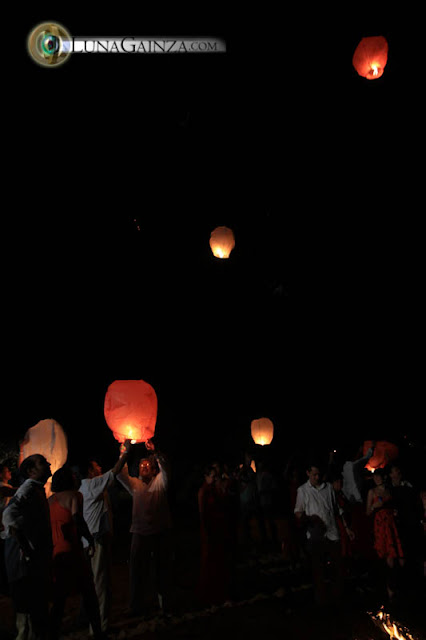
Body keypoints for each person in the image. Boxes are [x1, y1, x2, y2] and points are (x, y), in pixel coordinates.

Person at [78, 440, 130, 634]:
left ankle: (95, 623)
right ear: (90, 472)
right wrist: (126, 451)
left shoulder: (88, 486)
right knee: (101, 583)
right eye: (96, 466)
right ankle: (99, 627)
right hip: (96, 540)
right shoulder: (92, 484)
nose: (100, 467)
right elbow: (115, 471)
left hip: (93, 540)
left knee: (98, 582)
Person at [117, 438, 173, 617]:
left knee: (161, 567)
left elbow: (166, 469)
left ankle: (164, 603)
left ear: (154, 467)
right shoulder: (135, 485)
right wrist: (123, 452)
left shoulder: (160, 483)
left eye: (148, 464)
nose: (145, 466)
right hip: (139, 533)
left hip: (159, 532)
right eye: (142, 465)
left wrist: (155, 453)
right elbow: (119, 474)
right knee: (136, 570)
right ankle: (136, 604)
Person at [48, 465, 104, 640]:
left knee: (59, 598)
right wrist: (89, 538)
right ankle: (98, 632)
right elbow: (78, 519)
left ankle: (52, 634)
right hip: (72, 549)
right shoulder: (75, 496)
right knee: (89, 593)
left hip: (56, 551)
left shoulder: (49, 500)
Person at [2, 454, 52, 640]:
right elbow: (9, 515)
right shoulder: (29, 489)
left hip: (28, 563)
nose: (47, 464)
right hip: (25, 565)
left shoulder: (35, 489)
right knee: (31, 615)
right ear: (31, 471)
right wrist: (28, 550)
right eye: (42, 463)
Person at [294, 462, 353, 606]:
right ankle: (321, 600)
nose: (317, 477)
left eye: (318, 474)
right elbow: (298, 511)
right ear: (308, 473)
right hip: (316, 536)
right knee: (318, 569)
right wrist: (309, 519)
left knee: (337, 567)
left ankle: (338, 597)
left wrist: (346, 528)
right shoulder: (303, 490)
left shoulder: (328, 488)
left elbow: (336, 509)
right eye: (314, 474)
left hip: (332, 532)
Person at [366, 468, 405, 602]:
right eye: (375, 477)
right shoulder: (372, 492)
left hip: (390, 524)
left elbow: (394, 506)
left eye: (379, 476)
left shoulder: (389, 491)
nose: (377, 479)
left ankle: (394, 588)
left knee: (395, 557)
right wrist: (374, 507)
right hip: (380, 526)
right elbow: (367, 512)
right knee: (385, 556)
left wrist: (393, 511)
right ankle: (387, 590)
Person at [0, 463, 17, 595]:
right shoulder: (3, 488)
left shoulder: (8, 487)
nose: (9, 472)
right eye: (7, 470)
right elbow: (9, 492)